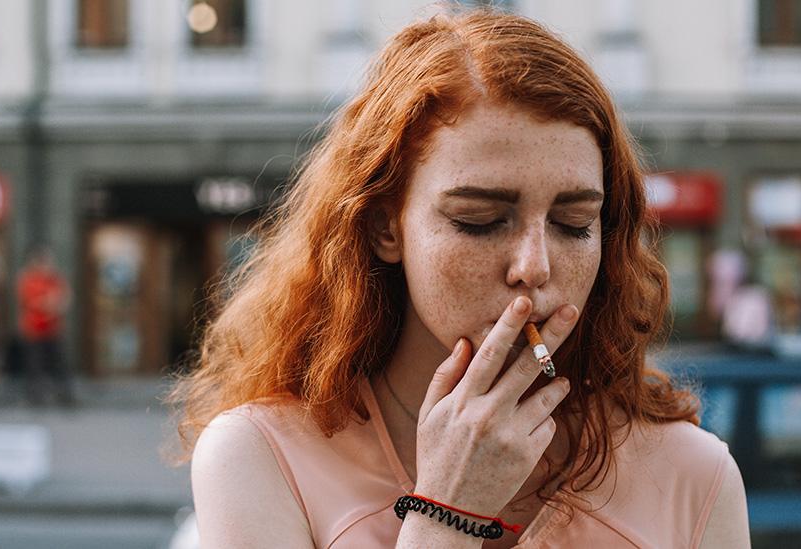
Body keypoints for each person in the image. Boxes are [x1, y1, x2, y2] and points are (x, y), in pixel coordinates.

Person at [170, 8, 750, 548]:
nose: (534, 266)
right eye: (481, 221)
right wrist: (446, 512)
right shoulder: (262, 456)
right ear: (384, 226)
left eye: (574, 224)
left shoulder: (692, 475)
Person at [16, 245, 76, 407]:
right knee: (35, 365)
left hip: (54, 329)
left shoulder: (56, 280)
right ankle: (35, 397)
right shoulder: (28, 279)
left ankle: (65, 395)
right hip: (33, 330)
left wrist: (55, 303)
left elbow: (65, 298)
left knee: (60, 364)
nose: (49, 265)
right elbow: (34, 303)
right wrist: (51, 303)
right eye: (45, 262)